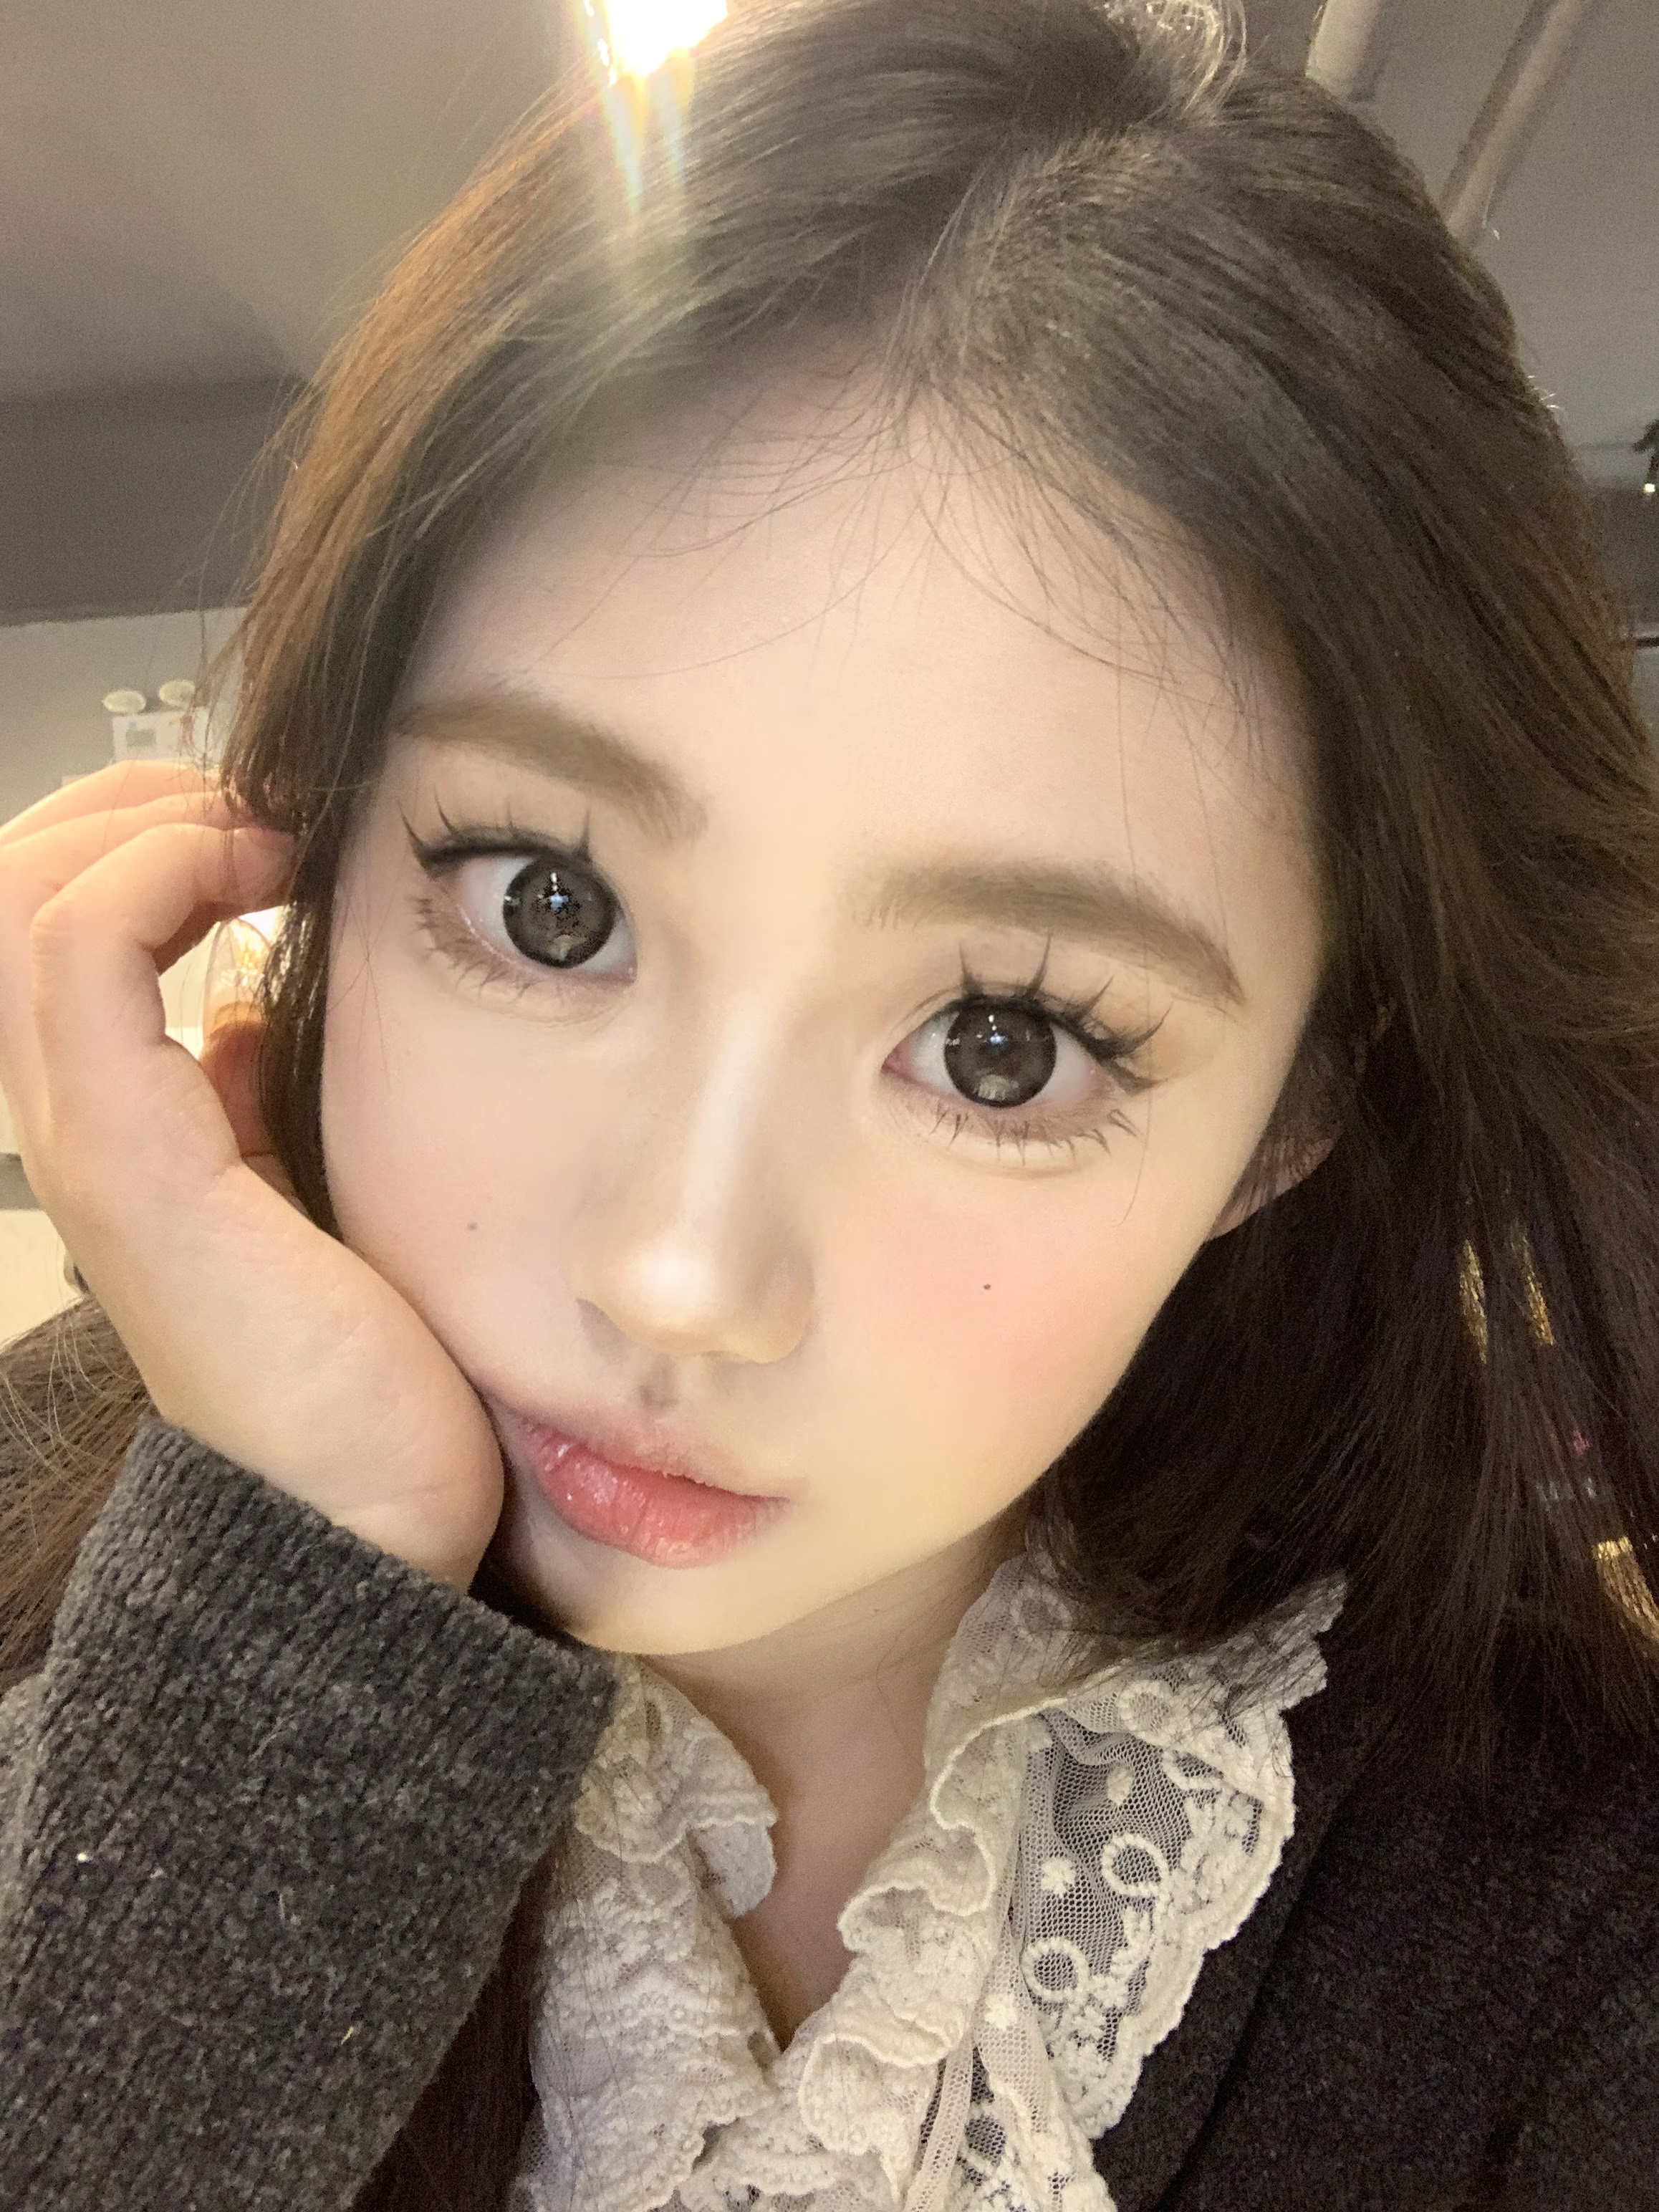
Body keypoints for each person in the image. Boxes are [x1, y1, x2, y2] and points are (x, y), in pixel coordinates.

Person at [2, 1, 1656, 2206]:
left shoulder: (1564, 1919)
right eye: (550, 903)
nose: (677, 1271)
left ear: (1290, 1119)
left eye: (1001, 1044)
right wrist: (293, 1617)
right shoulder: (49, 1528)